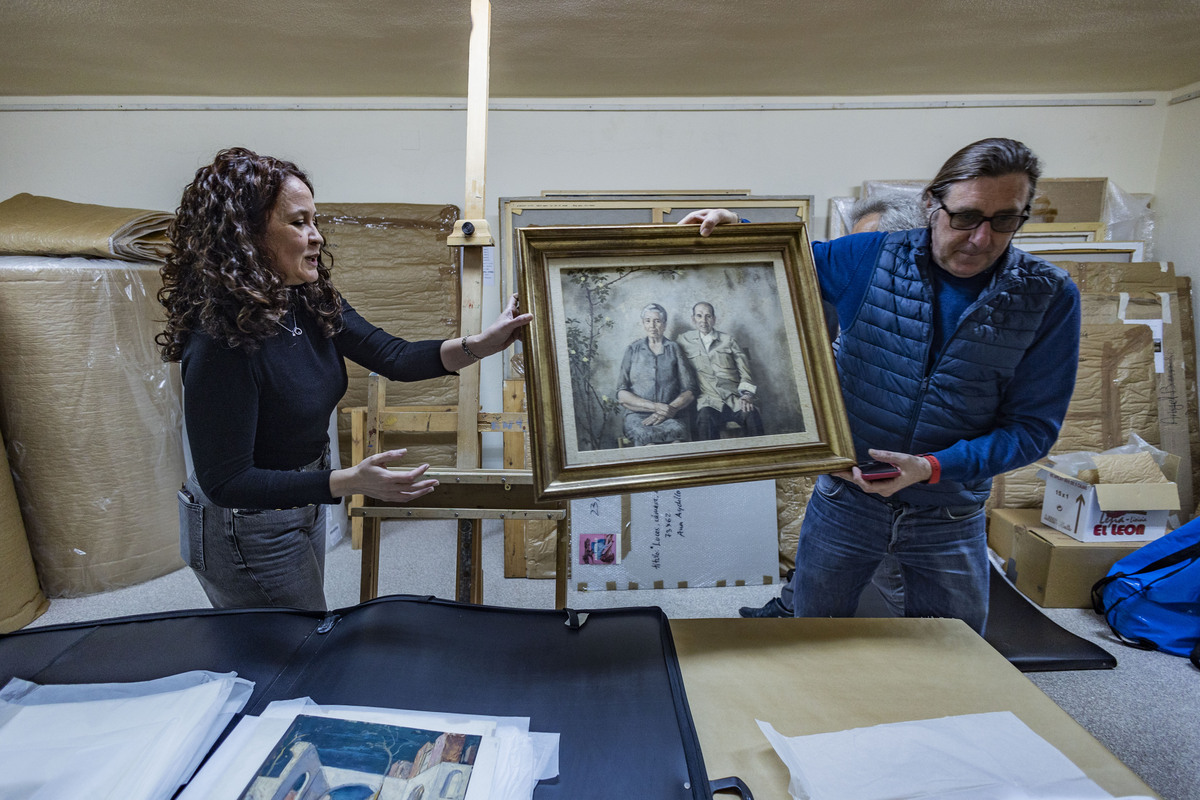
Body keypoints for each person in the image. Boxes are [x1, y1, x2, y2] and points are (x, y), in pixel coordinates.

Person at [682, 138, 1081, 634]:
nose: (981, 238)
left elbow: (1033, 430)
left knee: (952, 659)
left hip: (949, 515)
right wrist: (733, 229)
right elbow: (779, 262)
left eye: (1004, 220)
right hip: (847, 501)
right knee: (811, 639)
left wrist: (933, 467)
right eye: (965, 217)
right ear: (931, 205)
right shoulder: (868, 259)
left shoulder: (1047, 296)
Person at [156, 147, 532, 611]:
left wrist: (483, 344)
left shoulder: (305, 298)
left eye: (314, 220)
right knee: (286, 650)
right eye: (298, 223)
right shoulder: (220, 341)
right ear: (247, 235)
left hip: (301, 497)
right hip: (244, 520)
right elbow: (226, 481)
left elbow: (392, 355)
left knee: (302, 628)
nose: (316, 237)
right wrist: (349, 481)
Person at [740, 191, 930, 619]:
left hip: (900, 478)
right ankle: (793, 606)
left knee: (898, 574)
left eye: (863, 247)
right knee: (820, 559)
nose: (850, 257)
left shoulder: (915, 319)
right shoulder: (837, 295)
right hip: (843, 466)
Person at [676, 301, 764, 440]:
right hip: (708, 401)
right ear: (693, 319)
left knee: (752, 415)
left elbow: (745, 371)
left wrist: (747, 395)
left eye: (708, 316)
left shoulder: (728, 340)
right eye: (699, 316)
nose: (703, 321)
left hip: (734, 399)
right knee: (704, 421)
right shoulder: (684, 340)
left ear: (714, 319)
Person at [616, 303, 697, 446]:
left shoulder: (674, 348)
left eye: (657, 321)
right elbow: (621, 394)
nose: (652, 326)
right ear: (643, 323)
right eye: (648, 321)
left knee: (677, 441)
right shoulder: (632, 350)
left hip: (672, 414)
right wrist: (654, 407)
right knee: (647, 441)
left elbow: (690, 390)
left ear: (664, 325)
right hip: (637, 416)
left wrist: (669, 409)